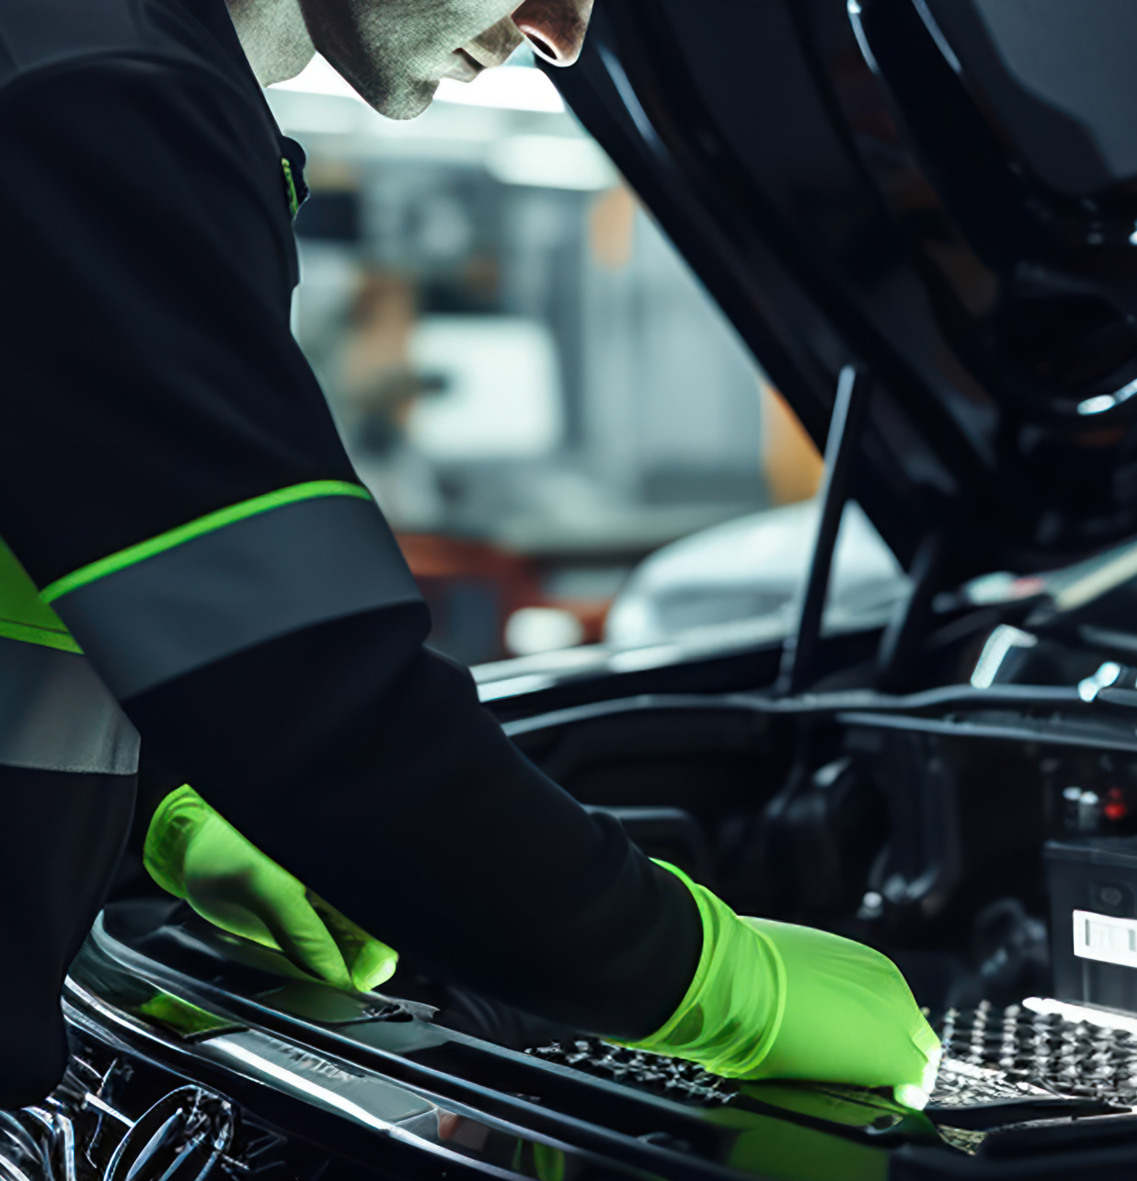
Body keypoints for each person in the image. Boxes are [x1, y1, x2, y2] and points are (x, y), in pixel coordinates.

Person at [0, 0, 940, 1106]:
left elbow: (67, 571)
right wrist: (718, 982)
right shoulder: (91, 93)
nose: (563, 29)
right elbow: (312, 694)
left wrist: (167, 800)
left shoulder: (87, 61)